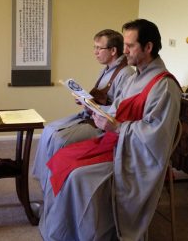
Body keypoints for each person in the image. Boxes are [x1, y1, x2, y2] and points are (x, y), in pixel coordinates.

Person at [38, 19, 182, 241]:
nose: (124, 51)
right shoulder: (135, 77)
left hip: (135, 156)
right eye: (124, 44)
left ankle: (81, 233)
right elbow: (116, 108)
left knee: (77, 175)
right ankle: (61, 225)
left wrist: (118, 127)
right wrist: (94, 107)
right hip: (117, 141)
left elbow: (156, 135)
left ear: (148, 47)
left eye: (130, 45)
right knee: (62, 157)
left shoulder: (164, 86)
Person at [32, 29, 134, 190]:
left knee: (60, 140)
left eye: (99, 48)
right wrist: (85, 99)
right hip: (91, 115)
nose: (95, 52)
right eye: (94, 47)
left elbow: (121, 109)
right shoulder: (107, 69)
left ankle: (54, 187)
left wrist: (93, 105)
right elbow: (103, 98)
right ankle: (45, 181)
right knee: (49, 130)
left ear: (113, 50)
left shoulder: (126, 73)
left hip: (104, 126)